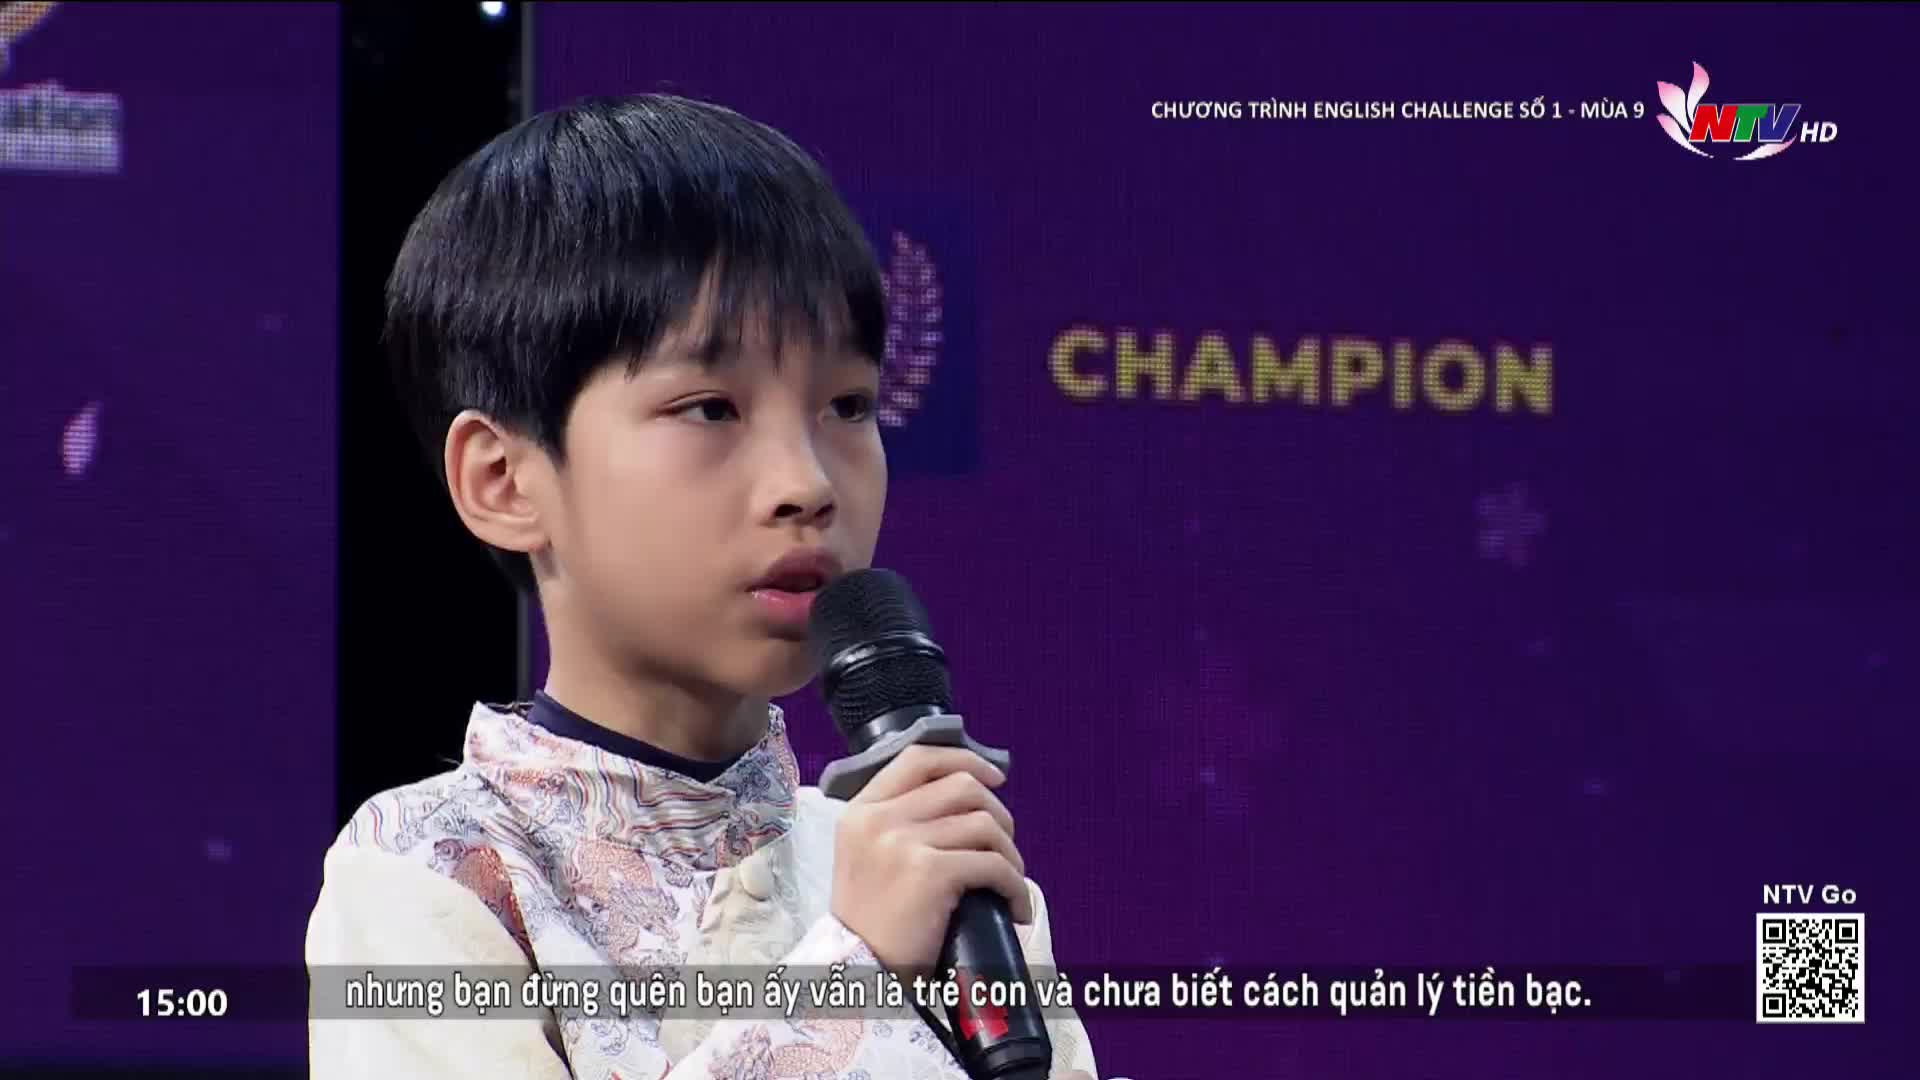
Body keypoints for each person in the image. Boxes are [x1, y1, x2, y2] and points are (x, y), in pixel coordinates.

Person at [306, 93, 1099, 1079]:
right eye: (710, 407)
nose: (808, 483)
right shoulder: (431, 868)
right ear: (504, 481)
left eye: (848, 404)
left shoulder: (928, 866)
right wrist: (853, 978)